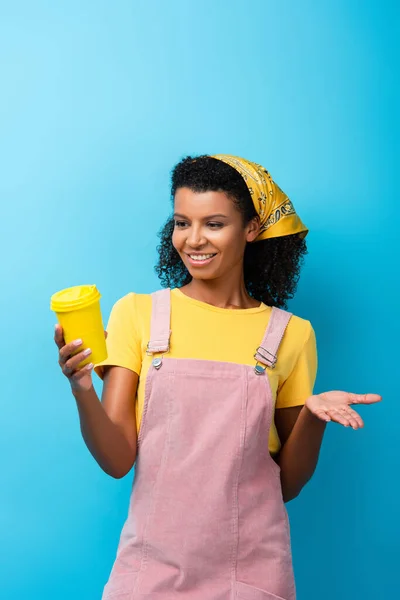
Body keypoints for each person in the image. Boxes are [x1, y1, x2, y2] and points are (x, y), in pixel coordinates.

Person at [54, 155, 381, 600]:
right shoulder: (138, 315)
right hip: (150, 570)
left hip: (249, 572)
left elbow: (287, 484)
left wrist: (313, 418)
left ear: (250, 229)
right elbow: (116, 460)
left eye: (214, 223)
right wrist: (82, 389)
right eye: (182, 222)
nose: (193, 240)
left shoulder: (290, 335)